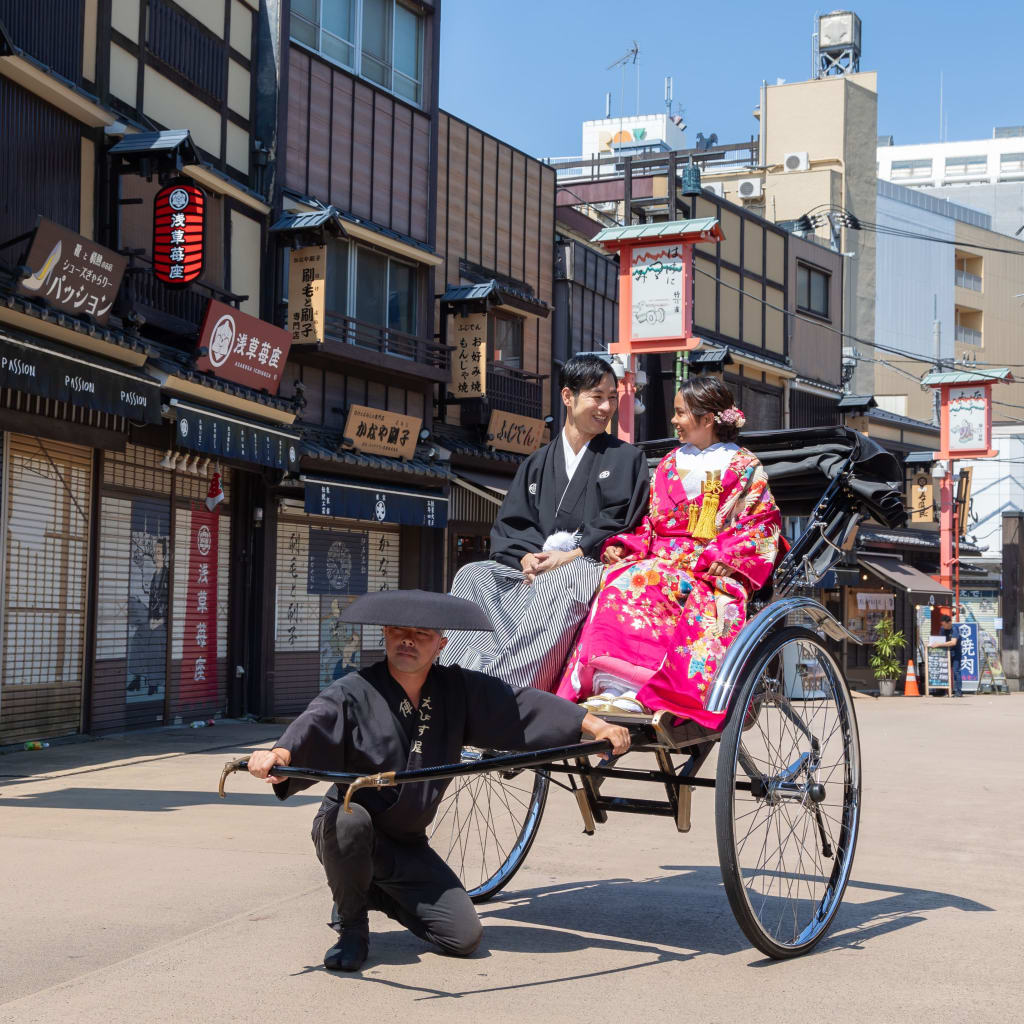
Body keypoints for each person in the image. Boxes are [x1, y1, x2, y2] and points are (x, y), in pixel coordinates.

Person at [247, 589, 629, 973]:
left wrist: (592, 724)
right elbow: (313, 725)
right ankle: (352, 928)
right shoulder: (353, 691)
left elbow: (519, 705)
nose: (408, 640)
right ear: (385, 635)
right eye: (398, 631)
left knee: (463, 938)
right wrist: (279, 756)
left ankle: (367, 890)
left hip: (406, 844)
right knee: (350, 818)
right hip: (348, 828)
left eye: (421, 635)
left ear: (441, 644)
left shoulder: (456, 689)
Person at [556, 376, 782, 729]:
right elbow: (650, 522)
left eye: (680, 413)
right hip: (661, 557)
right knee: (616, 580)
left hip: (711, 568)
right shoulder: (669, 463)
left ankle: (639, 689)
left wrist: (728, 555)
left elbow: (761, 524)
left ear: (707, 419)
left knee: (651, 580)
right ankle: (608, 686)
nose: (674, 420)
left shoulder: (745, 467)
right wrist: (624, 546)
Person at [439, 353, 650, 692]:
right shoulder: (537, 462)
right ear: (568, 396)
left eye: (613, 398)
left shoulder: (627, 458)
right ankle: (455, 677)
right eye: (597, 396)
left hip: (589, 564)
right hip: (535, 566)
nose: (606, 407)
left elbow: (621, 519)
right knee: (473, 575)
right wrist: (525, 557)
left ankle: (508, 690)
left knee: (560, 581)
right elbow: (512, 525)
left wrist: (572, 555)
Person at [936, 614, 963, 697]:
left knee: (956, 671)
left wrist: (939, 644)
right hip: (945, 652)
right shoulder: (942, 629)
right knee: (943, 671)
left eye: (945, 625)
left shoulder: (955, 629)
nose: (943, 626)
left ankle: (958, 691)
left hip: (956, 653)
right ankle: (942, 691)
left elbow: (953, 642)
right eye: (942, 625)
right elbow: (940, 639)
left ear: (950, 622)